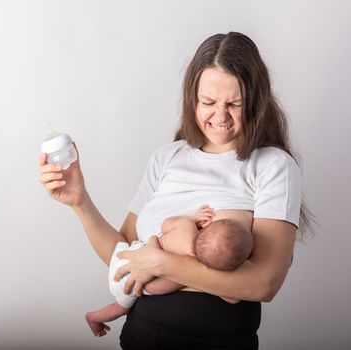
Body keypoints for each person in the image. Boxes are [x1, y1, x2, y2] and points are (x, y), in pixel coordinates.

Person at [39, 31, 313, 350]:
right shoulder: (167, 157)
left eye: (234, 104)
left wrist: (162, 263)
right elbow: (125, 255)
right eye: (208, 102)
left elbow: (264, 283)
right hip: (141, 334)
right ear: (192, 99)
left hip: (219, 340)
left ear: (256, 101)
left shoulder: (273, 166)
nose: (220, 116)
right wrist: (80, 201)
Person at [85, 204, 254, 337]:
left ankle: (153, 246)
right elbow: (151, 288)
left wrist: (192, 218)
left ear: (209, 224)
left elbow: (166, 224)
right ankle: (93, 317)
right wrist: (186, 282)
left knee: (153, 239)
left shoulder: (186, 227)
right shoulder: (183, 270)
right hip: (129, 278)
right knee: (119, 308)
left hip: (130, 253)